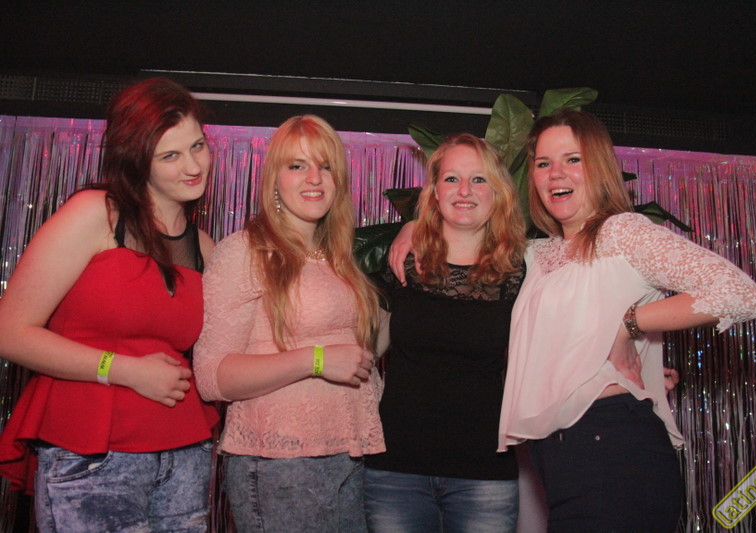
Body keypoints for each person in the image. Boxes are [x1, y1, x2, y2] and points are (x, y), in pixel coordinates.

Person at [496, 108, 756, 531]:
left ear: (599, 167)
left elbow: (741, 294)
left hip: (612, 446)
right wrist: (410, 231)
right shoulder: (540, 254)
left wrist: (629, 324)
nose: (555, 174)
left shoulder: (621, 232)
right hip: (562, 457)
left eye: (573, 159)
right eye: (543, 163)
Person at [0, 77, 219, 532]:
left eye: (197, 146)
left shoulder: (204, 247)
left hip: (183, 454)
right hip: (92, 450)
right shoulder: (95, 212)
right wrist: (124, 370)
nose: (193, 165)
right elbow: (10, 332)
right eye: (170, 155)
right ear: (137, 160)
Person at [193, 114, 384, 533]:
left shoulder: (337, 258)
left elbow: (356, 351)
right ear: (274, 180)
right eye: (297, 165)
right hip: (280, 465)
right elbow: (211, 377)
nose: (314, 178)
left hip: (348, 454)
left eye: (326, 166)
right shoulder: (244, 252)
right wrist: (315, 360)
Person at [365, 134, 528, 533]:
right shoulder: (401, 262)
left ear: (498, 192)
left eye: (479, 179)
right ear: (435, 192)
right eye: (452, 178)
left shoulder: (522, 272)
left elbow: (561, 342)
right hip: (396, 471)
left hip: (484, 474)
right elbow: (363, 350)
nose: (464, 190)